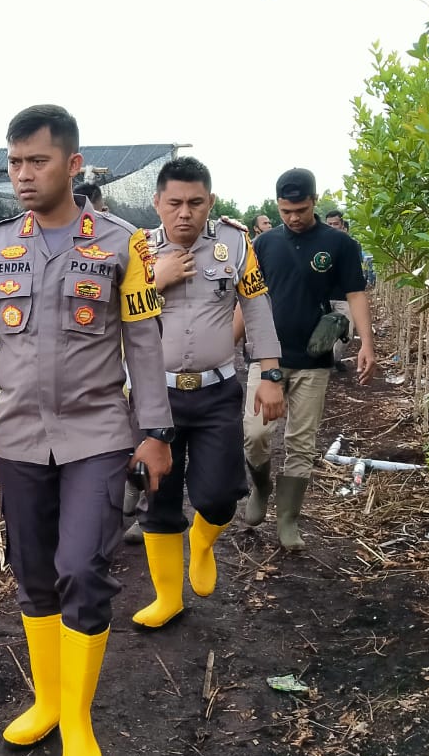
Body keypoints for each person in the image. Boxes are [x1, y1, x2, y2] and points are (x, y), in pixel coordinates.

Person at [0, 104, 173, 756]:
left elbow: (144, 344)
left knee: (82, 570)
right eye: (14, 162)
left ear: (73, 165)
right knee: (33, 576)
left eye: (38, 161)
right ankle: (49, 701)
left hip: (98, 436)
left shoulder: (126, 246)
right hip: (20, 437)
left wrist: (155, 432)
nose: (23, 175)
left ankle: (79, 719)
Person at [131, 157, 283, 629]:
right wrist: (157, 278)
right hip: (155, 395)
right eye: (174, 202)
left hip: (217, 390)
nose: (184, 213)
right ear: (156, 203)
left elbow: (256, 307)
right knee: (157, 496)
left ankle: (202, 540)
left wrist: (272, 374)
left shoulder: (235, 245)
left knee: (218, 495)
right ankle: (167, 597)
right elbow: (112, 310)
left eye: (196, 203)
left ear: (210, 202)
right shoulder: (135, 250)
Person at [240, 169, 375, 550]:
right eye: (285, 210)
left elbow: (355, 293)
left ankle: (288, 521)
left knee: (301, 442)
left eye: (299, 209)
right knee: (255, 434)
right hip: (267, 359)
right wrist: (228, 344)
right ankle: (261, 487)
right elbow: (249, 300)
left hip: (314, 359)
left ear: (313, 201)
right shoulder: (263, 245)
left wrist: (367, 342)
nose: (293, 217)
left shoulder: (339, 245)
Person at [324, 210, 354, 370]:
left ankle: (334, 359)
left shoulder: (350, 246)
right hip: (324, 297)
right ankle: (325, 362)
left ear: (342, 225)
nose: (332, 227)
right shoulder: (319, 246)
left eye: (335, 224)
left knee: (346, 333)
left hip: (344, 297)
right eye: (329, 224)